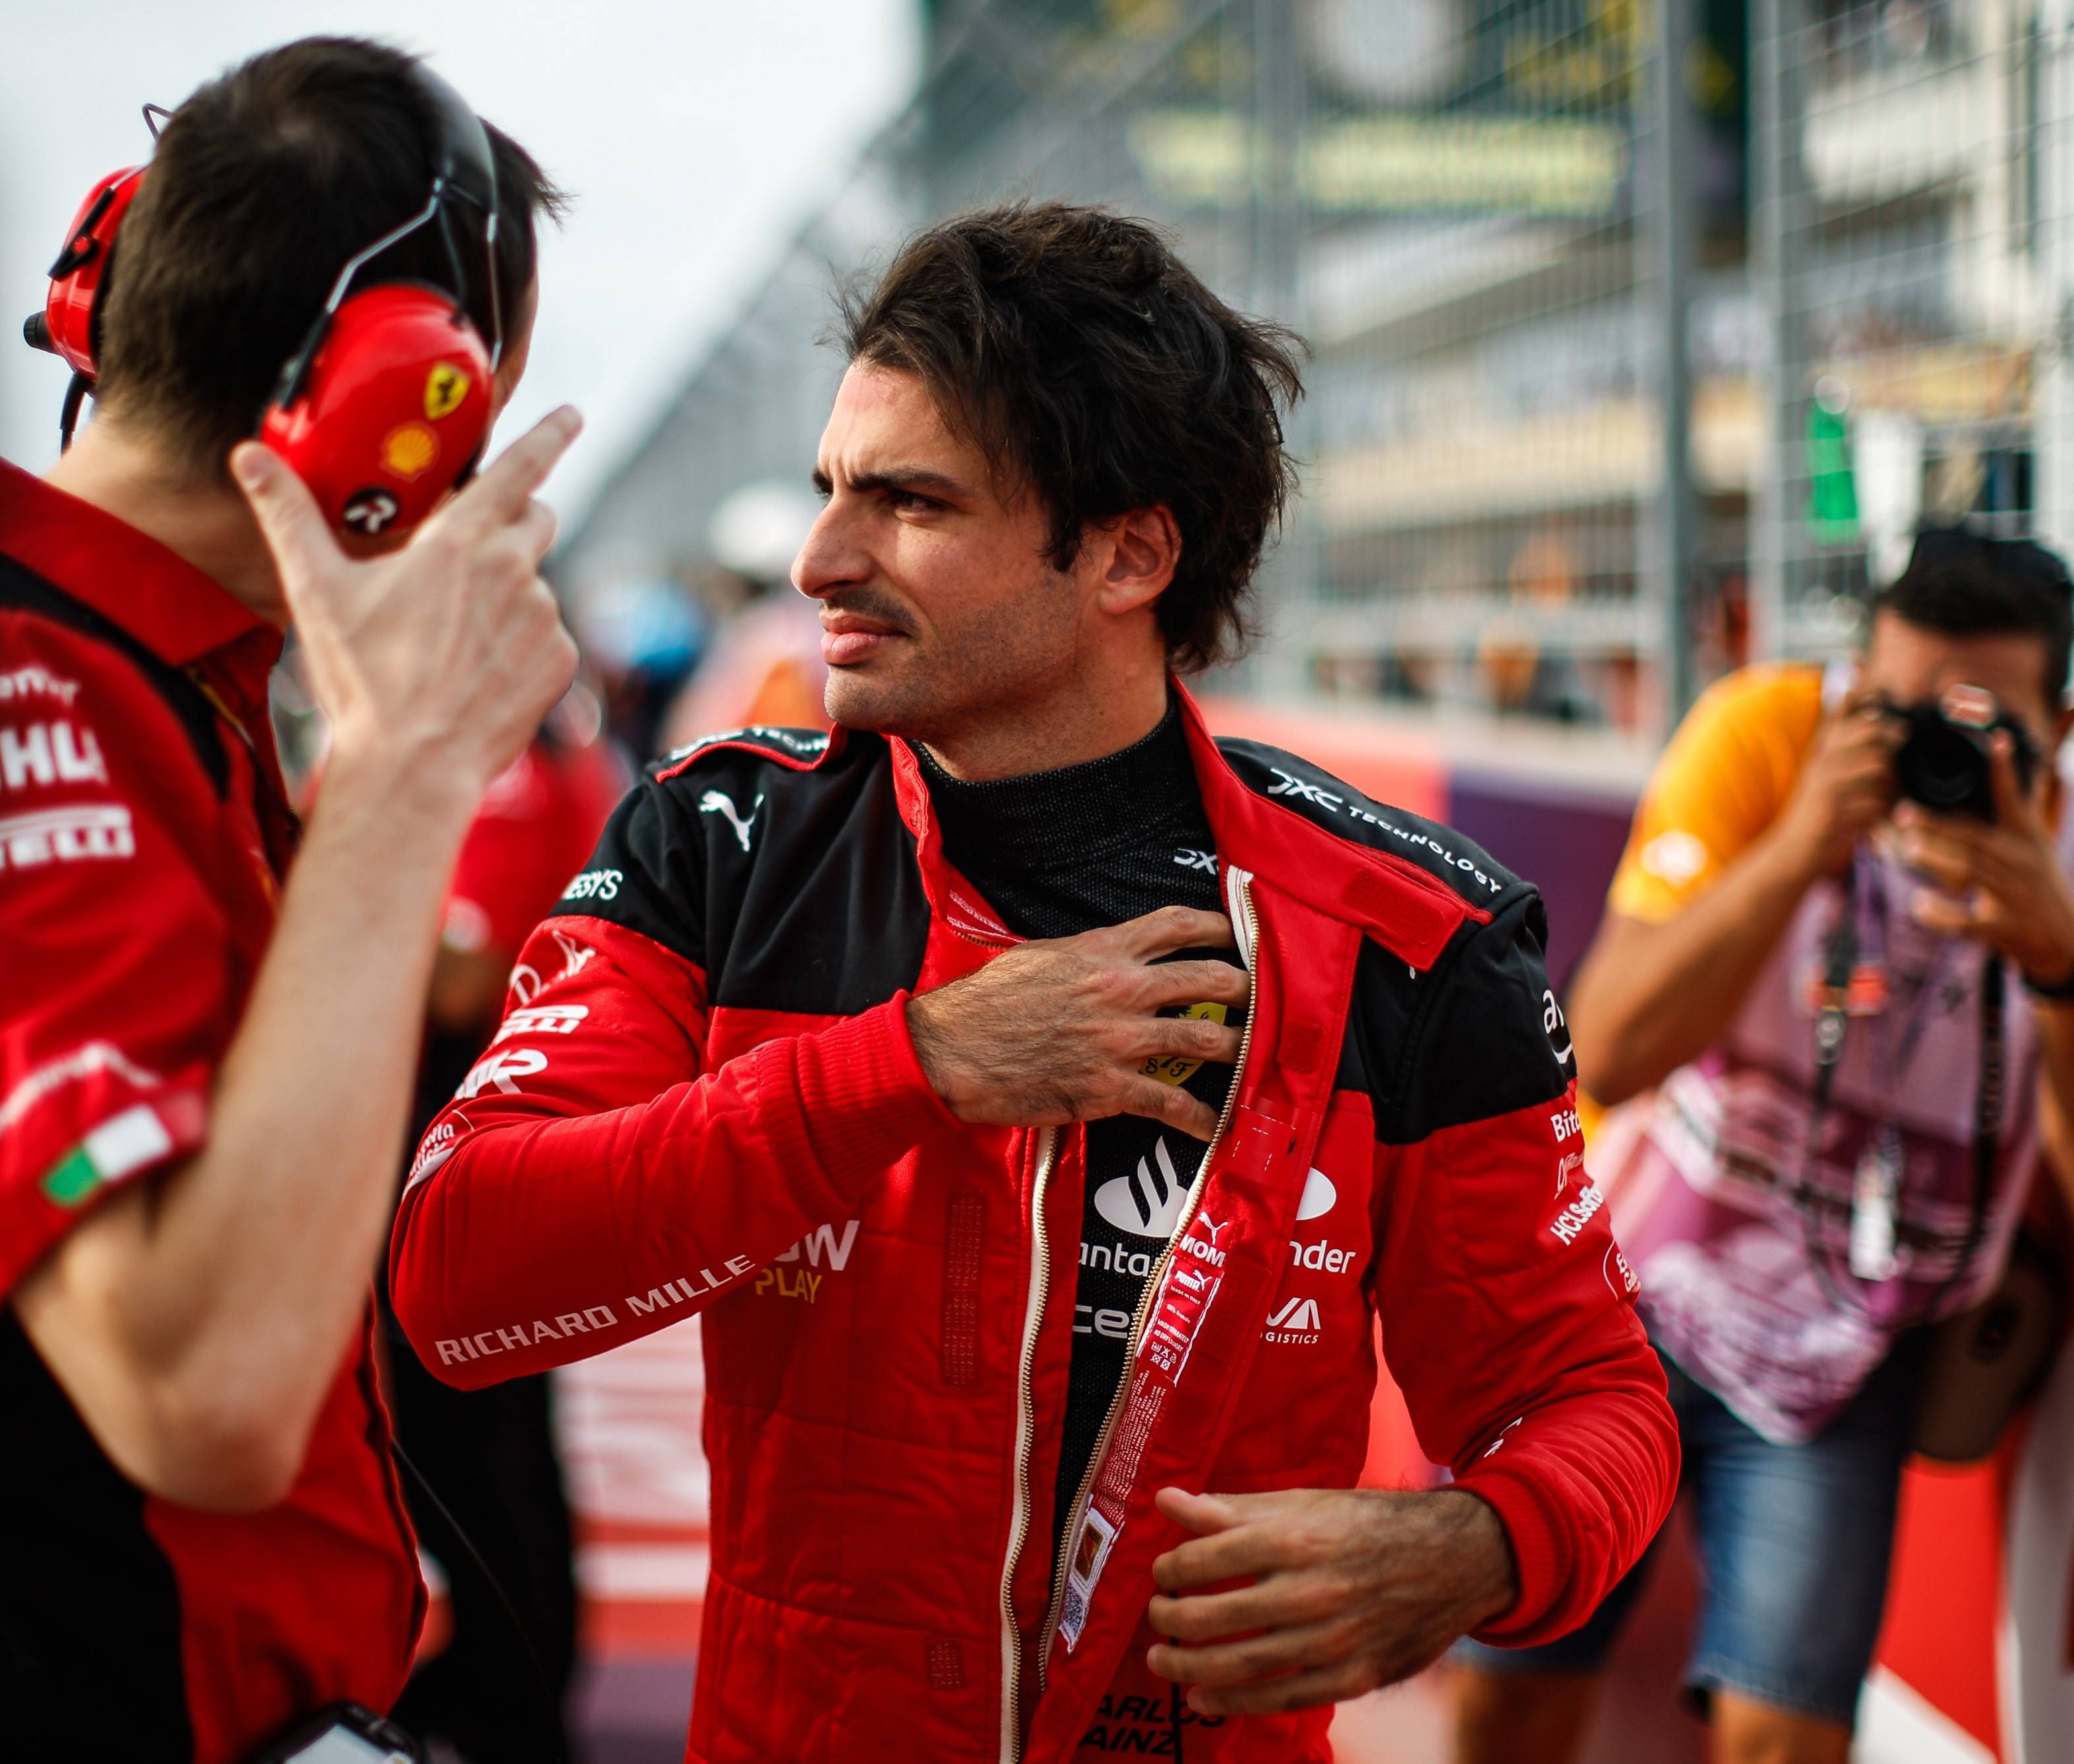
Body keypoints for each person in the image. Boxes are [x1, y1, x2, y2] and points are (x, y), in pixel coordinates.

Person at [389, 202, 1678, 1764]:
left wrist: (1478, 1544)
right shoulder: (720, 841)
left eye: (907, 503)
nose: (818, 559)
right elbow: (456, 1280)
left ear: (1128, 550)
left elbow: (1591, 1391)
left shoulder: (1409, 935)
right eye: (828, 492)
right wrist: (913, 1062)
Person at [0, 38, 578, 1761]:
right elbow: (200, 1393)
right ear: (400, 399)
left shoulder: (125, 675)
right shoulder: (7, 691)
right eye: (480, 411)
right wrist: (406, 776)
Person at [1447, 532, 2074, 1764]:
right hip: (1622, 1296)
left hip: (1849, 1349)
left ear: (2059, 725)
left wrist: (2059, 963)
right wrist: (1799, 846)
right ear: (1852, 680)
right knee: (1507, 1697)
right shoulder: (1767, 735)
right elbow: (1611, 1048)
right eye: (1898, 715)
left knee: (1781, 1742)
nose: (1929, 758)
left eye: (1977, 727)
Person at [386, 698, 625, 1763]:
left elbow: (462, 980)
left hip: (475, 1124)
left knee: (474, 1429)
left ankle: (514, 1697)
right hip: (500, 1123)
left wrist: (314, 916)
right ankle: (505, 1675)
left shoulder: (500, 765)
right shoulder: (529, 753)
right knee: (481, 1428)